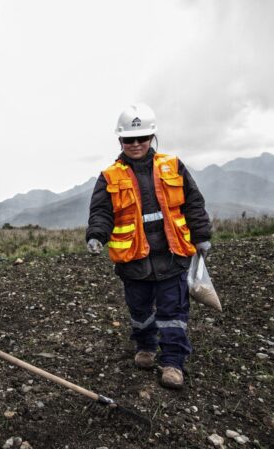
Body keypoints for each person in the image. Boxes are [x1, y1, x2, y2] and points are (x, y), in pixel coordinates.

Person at [86, 103, 211, 391]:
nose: (136, 144)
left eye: (142, 138)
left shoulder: (173, 165)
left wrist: (202, 235)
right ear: (120, 141)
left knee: (173, 312)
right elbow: (101, 213)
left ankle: (173, 362)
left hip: (172, 255)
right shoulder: (109, 176)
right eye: (129, 139)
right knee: (140, 311)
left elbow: (193, 203)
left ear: (152, 137)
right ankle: (145, 346)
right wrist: (96, 235)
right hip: (133, 262)